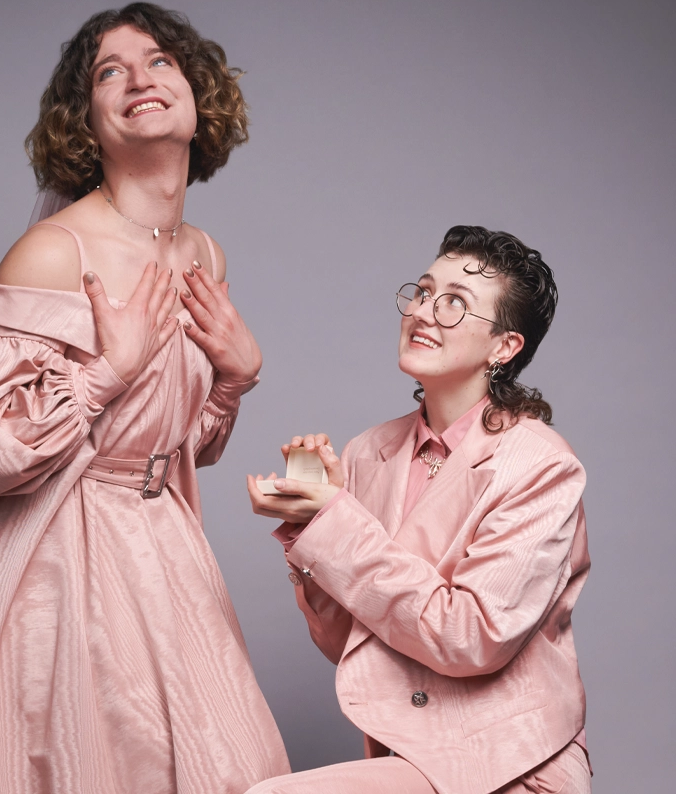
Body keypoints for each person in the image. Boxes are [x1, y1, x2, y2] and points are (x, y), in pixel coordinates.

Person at [0, 3, 289, 793]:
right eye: (111, 71)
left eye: (162, 60)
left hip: (164, 552)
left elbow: (170, 444)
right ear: (86, 124)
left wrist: (235, 378)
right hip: (56, 565)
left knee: (234, 766)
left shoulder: (203, 251)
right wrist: (106, 373)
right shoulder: (53, 249)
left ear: (200, 94)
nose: (140, 77)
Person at [247, 226, 591, 794]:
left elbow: (470, 636)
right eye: (424, 292)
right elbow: (350, 647)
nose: (425, 312)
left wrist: (337, 524)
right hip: (411, 752)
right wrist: (311, 526)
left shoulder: (540, 465)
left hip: (512, 766)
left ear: (504, 347)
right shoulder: (368, 451)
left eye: (455, 303)